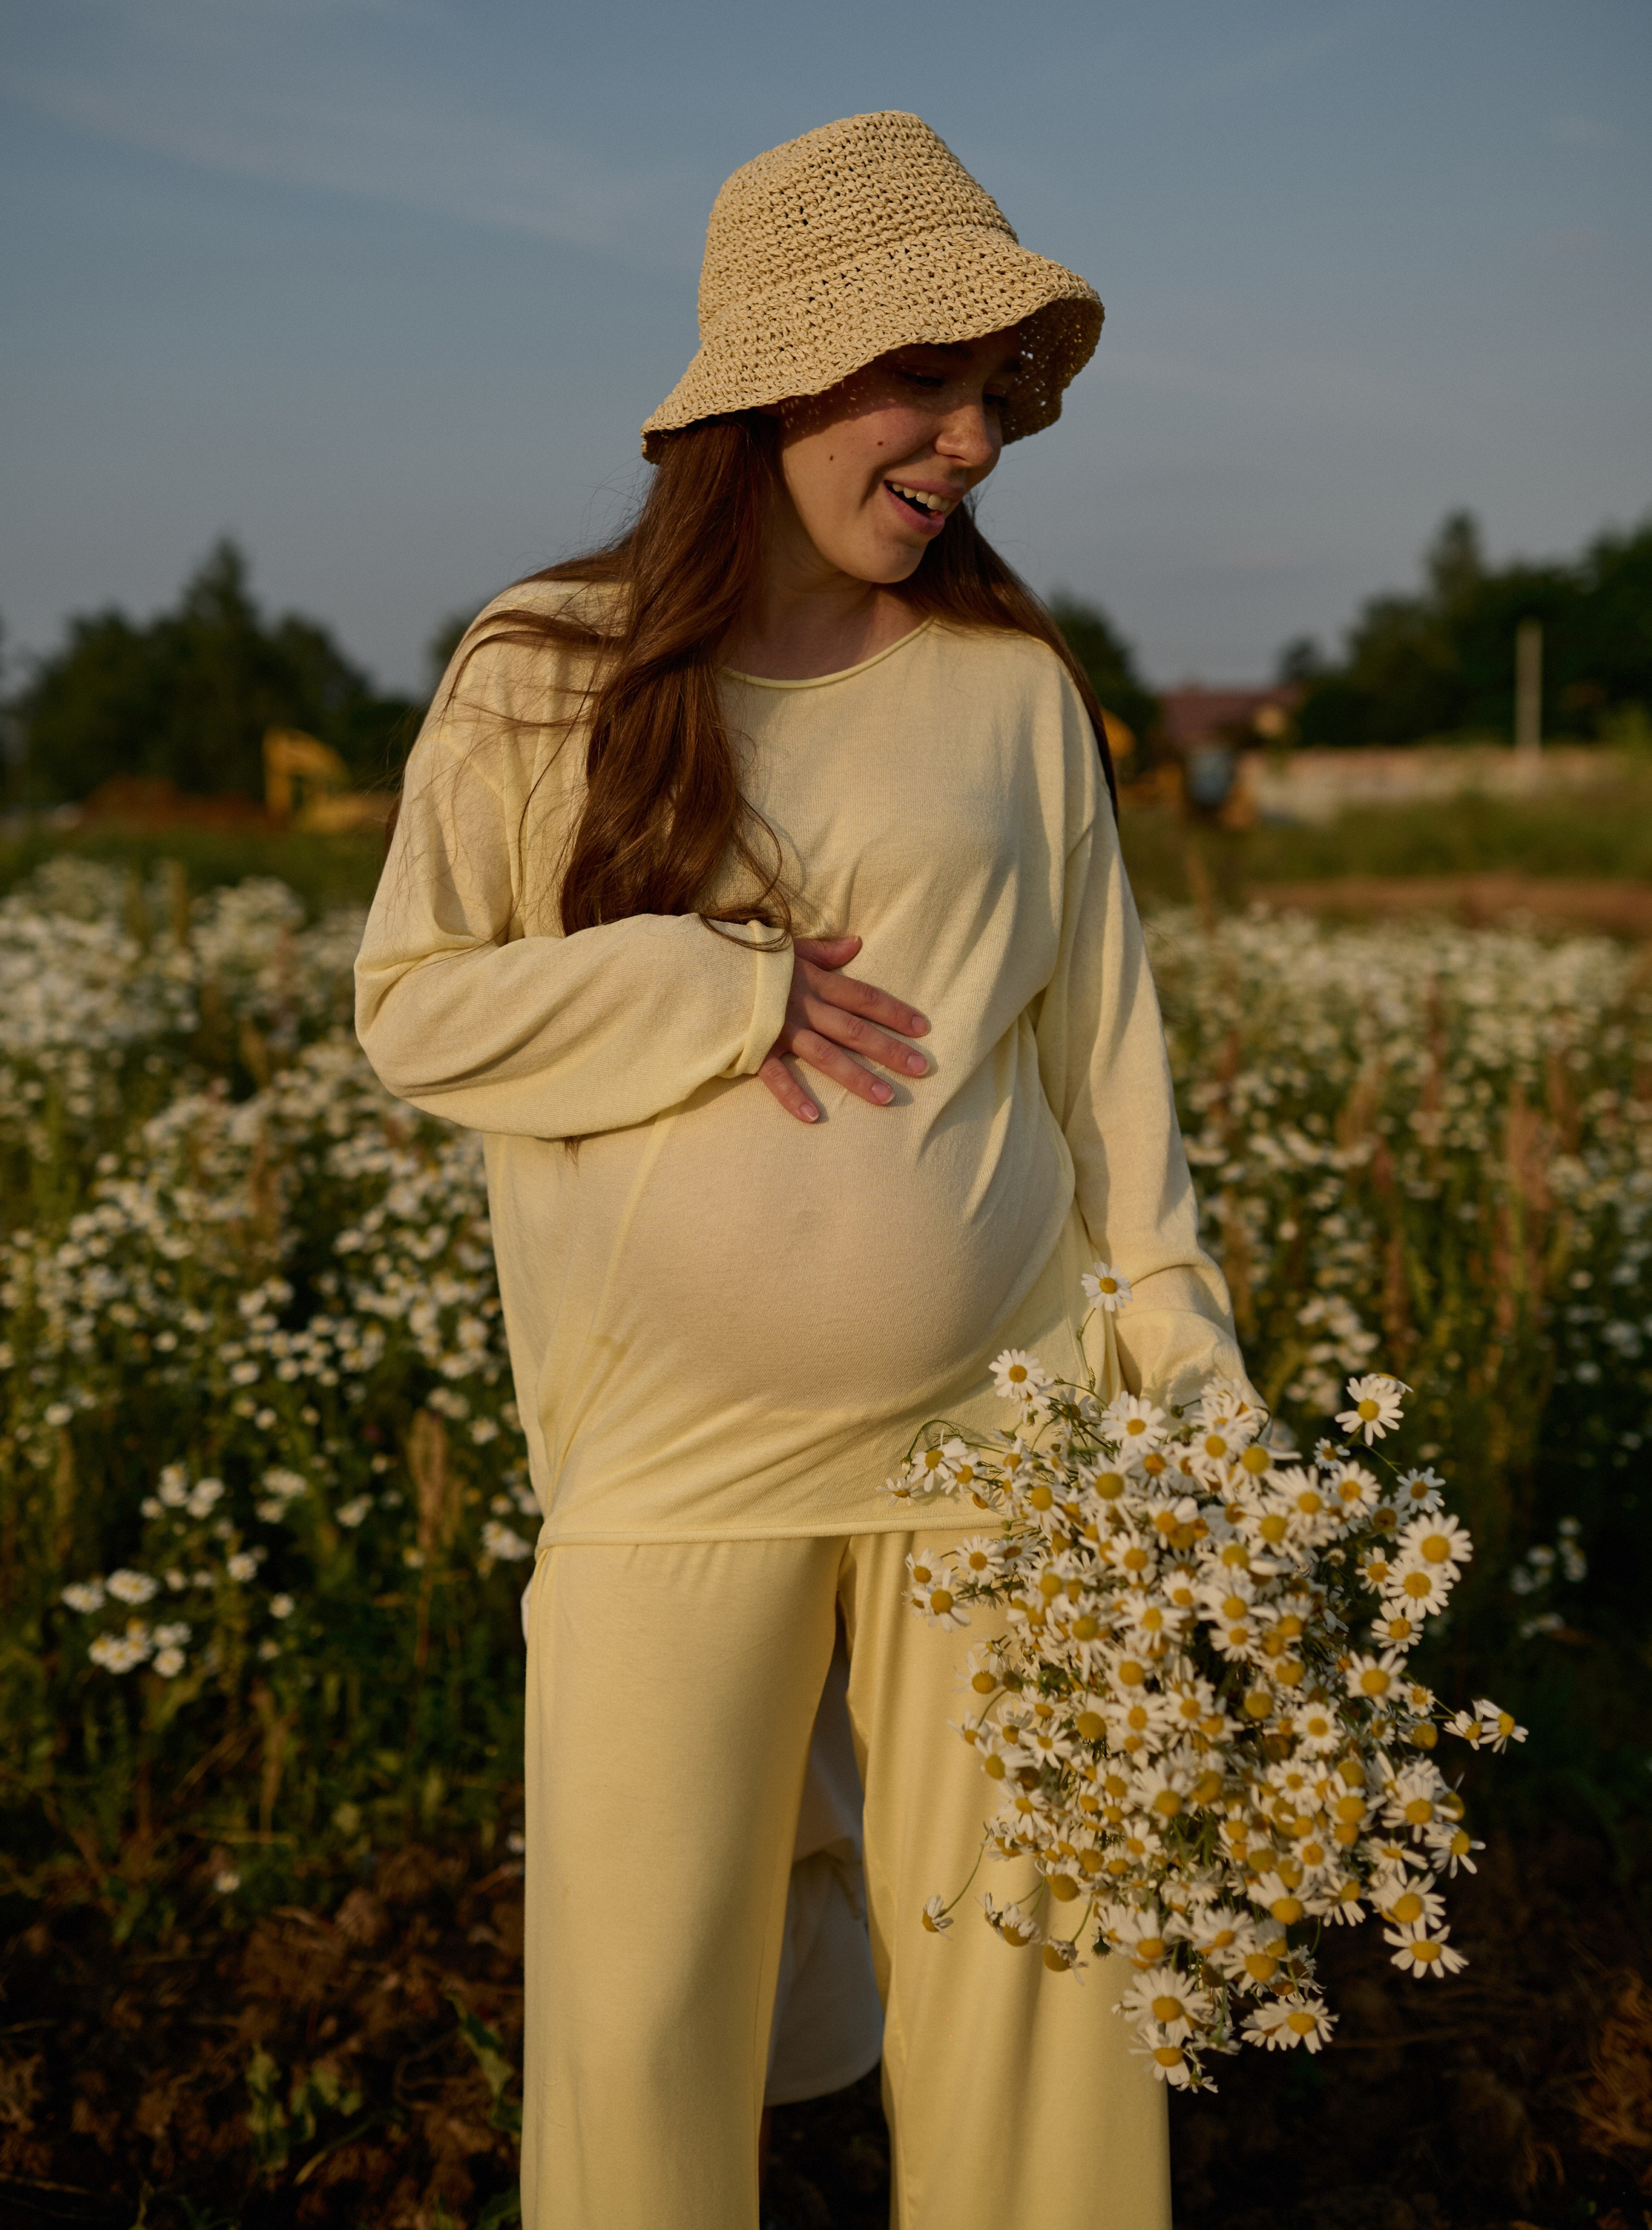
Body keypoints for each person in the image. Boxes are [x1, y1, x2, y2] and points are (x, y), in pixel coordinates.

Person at [356, 110, 1248, 2230]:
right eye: (928, 383)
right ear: (775, 383)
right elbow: (414, 1010)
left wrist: (1188, 1368)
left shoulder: (1015, 692)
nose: (973, 442)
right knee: (636, 2025)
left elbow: (1107, 1063)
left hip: (1008, 1447)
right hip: (673, 1464)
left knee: (1049, 2003)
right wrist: (700, 983)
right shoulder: (543, 676)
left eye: (998, 398)